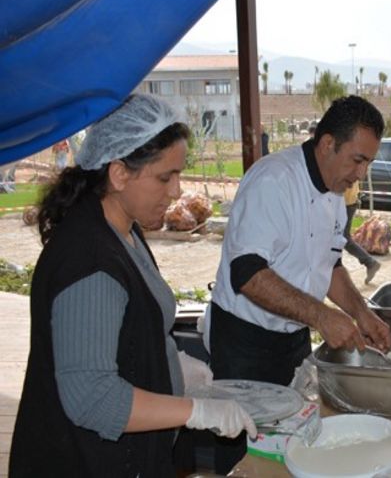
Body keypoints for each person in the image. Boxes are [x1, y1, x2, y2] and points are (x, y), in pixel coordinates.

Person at [8, 94, 256, 476]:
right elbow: (91, 397)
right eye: (164, 177)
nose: (176, 191)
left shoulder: (124, 230)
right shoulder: (89, 260)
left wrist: (173, 364)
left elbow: (130, 329)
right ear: (119, 173)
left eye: (179, 174)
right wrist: (196, 411)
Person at [207, 95, 391, 472]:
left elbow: (330, 265)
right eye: (357, 159)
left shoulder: (336, 196)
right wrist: (322, 318)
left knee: (293, 444)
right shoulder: (273, 180)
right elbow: (246, 274)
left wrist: (362, 313)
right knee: (245, 452)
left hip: (292, 338)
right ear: (327, 144)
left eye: (368, 163)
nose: (361, 173)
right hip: (245, 341)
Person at [343, 180, 381, 284]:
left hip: (344, 202)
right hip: (348, 200)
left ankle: (370, 262)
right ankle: (370, 262)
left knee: (342, 238)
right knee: (340, 238)